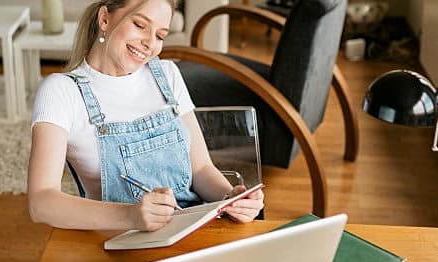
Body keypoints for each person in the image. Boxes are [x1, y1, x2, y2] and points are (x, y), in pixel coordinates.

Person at [26, 0, 264, 231]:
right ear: (105, 19)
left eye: (160, 36)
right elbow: (41, 203)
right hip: (118, 241)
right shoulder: (62, 91)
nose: (150, 44)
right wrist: (132, 216)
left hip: (194, 230)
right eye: (140, 25)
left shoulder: (167, 75)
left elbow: (200, 169)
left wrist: (230, 198)